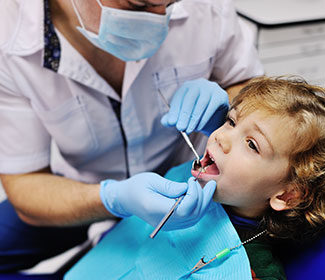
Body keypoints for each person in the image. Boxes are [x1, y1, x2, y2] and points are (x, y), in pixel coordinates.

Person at [0, 0, 264, 272]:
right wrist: (113, 198)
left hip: (186, 180)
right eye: (139, 5)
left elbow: (252, 89)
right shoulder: (8, 36)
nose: (160, 18)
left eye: (170, 3)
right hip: (84, 189)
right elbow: (25, 182)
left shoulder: (206, 7)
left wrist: (230, 111)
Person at [65, 76, 325, 279]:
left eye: (252, 144)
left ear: (286, 195)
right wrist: (116, 197)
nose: (220, 137)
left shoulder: (253, 270)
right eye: (232, 121)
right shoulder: (186, 178)